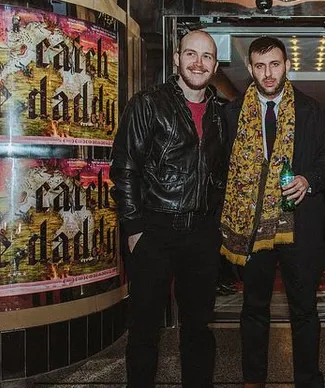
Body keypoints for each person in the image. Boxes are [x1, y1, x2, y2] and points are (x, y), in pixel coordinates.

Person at [109, 30, 227, 388]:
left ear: (215, 66)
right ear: (176, 59)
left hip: (203, 234)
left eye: (206, 56)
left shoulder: (221, 112)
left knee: (198, 328)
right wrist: (134, 229)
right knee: (145, 329)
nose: (198, 63)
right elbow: (124, 167)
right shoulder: (148, 103)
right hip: (154, 231)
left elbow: (222, 173)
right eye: (191, 54)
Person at [220, 36, 325, 387]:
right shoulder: (232, 113)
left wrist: (309, 179)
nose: (268, 73)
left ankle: (308, 380)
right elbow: (222, 169)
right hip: (252, 227)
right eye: (260, 66)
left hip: (299, 227)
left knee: (304, 310)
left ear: (287, 65)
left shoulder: (310, 110)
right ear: (251, 69)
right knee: (253, 309)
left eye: (275, 64)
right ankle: (253, 380)